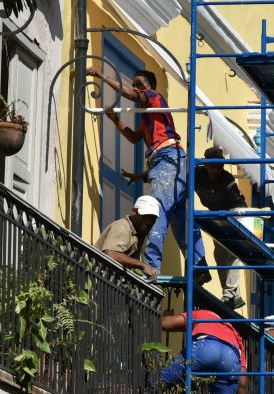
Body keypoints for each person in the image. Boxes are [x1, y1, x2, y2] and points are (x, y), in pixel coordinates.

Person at [86, 66, 210, 283]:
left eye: (140, 84)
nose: (136, 88)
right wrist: (116, 121)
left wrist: (101, 76)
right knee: (181, 219)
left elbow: (131, 94)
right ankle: (199, 266)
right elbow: (134, 138)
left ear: (150, 86)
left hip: (168, 158)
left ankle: (151, 266)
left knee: (157, 211)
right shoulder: (149, 120)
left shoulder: (154, 98)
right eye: (134, 84)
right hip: (171, 162)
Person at [194, 146, 247, 310]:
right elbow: (177, 177)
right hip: (216, 214)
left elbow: (237, 202)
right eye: (212, 167)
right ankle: (233, 295)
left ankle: (229, 293)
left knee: (233, 252)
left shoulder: (227, 179)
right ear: (205, 165)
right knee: (219, 253)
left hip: (234, 212)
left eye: (219, 167)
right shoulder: (197, 175)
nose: (215, 171)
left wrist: (230, 218)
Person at [95, 195, 161, 281]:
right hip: (97, 279)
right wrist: (143, 266)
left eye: (153, 218)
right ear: (134, 211)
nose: (148, 221)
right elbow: (111, 254)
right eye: (145, 216)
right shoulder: (122, 226)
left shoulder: (139, 232)